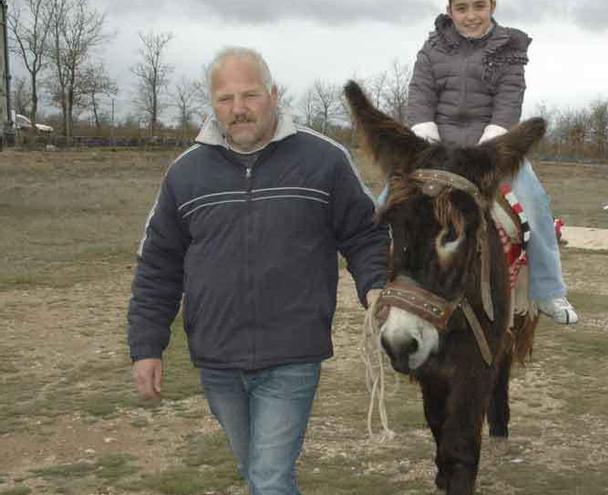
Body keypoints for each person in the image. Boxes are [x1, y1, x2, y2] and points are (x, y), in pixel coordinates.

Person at [126, 47, 388, 495]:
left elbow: (366, 234)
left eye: (249, 95)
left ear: (273, 94)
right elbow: (158, 266)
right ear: (212, 104)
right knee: (257, 473)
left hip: (293, 351)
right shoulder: (185, 174)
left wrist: (377, 286)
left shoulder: (323, 159)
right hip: (217, 357)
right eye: (226, 99)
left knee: (269, 478)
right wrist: (146, 347)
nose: (239, 109)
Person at [402, 0, 579, 324]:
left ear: (493, 6)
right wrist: (427, 140)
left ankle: (547, 289)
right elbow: (420, 96)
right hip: (438, 147)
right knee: (390, 198)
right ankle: (385, 281)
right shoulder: (431, 49)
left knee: (535, 201)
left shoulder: (510, 49)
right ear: (450, 10)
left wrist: (489, 148)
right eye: (462, 8)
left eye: (479, 6)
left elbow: (509, 100)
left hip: (493, 147)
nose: (471, 16)